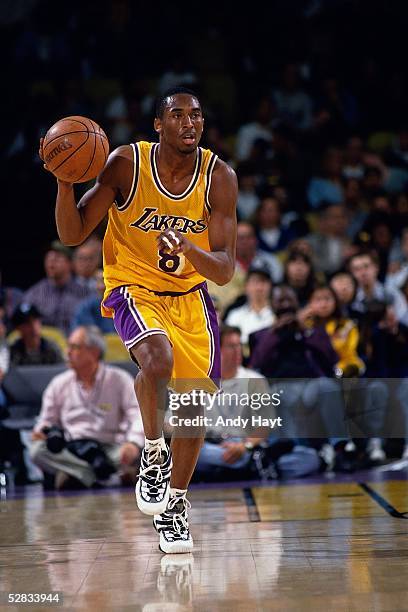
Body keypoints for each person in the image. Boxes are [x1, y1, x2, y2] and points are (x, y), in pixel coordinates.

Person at [39, 87, 237, 554]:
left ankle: (176, 505)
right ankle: (152, 449)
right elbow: (71, 234)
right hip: (134, 286)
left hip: (190, 295)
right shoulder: (127, 163)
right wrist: (65, 180)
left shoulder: (219, 177)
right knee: (156, 356)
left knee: (192, 412)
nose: (189, 123)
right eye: (178, 115)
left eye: (197, 116)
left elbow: (226, 269)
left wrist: (190, 248)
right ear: (158, 124)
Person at [30, 326, 144, 490]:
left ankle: (77, 476)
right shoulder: (59, 384)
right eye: (68, 346)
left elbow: (137, 415)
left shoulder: (119, 379)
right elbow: (46, 420)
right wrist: (41, 431)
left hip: (110, 448)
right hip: (73, 449)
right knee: (37, 451)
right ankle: (104, 477)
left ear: (94, 352)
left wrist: (133, 443)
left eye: (74, 347)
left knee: (142, 450)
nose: (67, 352)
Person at [195, 326, 270, 478]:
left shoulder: (255, 380)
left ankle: (218, 468)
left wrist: (245, 446)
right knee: (189, 452)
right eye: (231, 346)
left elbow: (265, 425)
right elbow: (170, 422)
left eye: (239, 345)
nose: (238, 351)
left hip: (242, 444)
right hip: (208, 443)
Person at [23, 240, 92, 336]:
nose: (51, 263)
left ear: (70, 264)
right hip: (44, 346)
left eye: (57, 258)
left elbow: (91, 327)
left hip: (74, 345)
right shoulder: (35, 293)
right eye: (48, 258)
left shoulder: (84, 293)